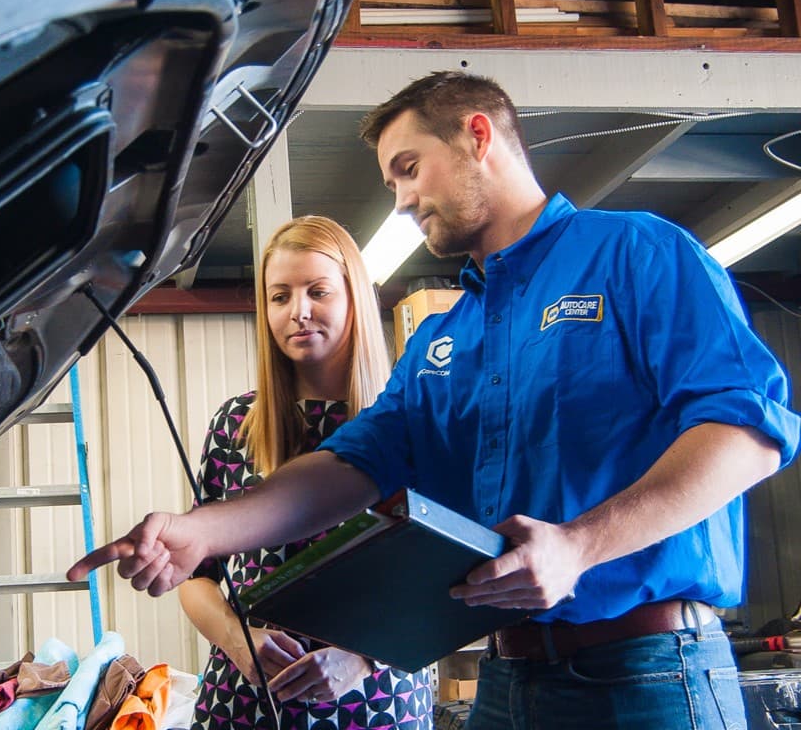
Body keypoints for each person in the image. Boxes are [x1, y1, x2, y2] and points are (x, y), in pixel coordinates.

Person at [70, 72, 801, 729]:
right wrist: (205, 532)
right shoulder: (443, 337)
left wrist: (580, 547)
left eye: (407, 169)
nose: (402, 199)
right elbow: (352, 464)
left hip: (645, 671)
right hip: (507, 678)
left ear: (478, 136)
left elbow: (749, 431)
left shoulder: (636, 252)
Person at [175, 215, 433, 730]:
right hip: (248, 702)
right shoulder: (237, 425)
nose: (299, 312)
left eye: (318, 291)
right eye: (279, 296)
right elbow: (196, 576)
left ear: (353, 296)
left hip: (377, 702)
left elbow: (439, 580)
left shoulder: (414, 421)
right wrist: (236, 639)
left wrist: (359, 657)